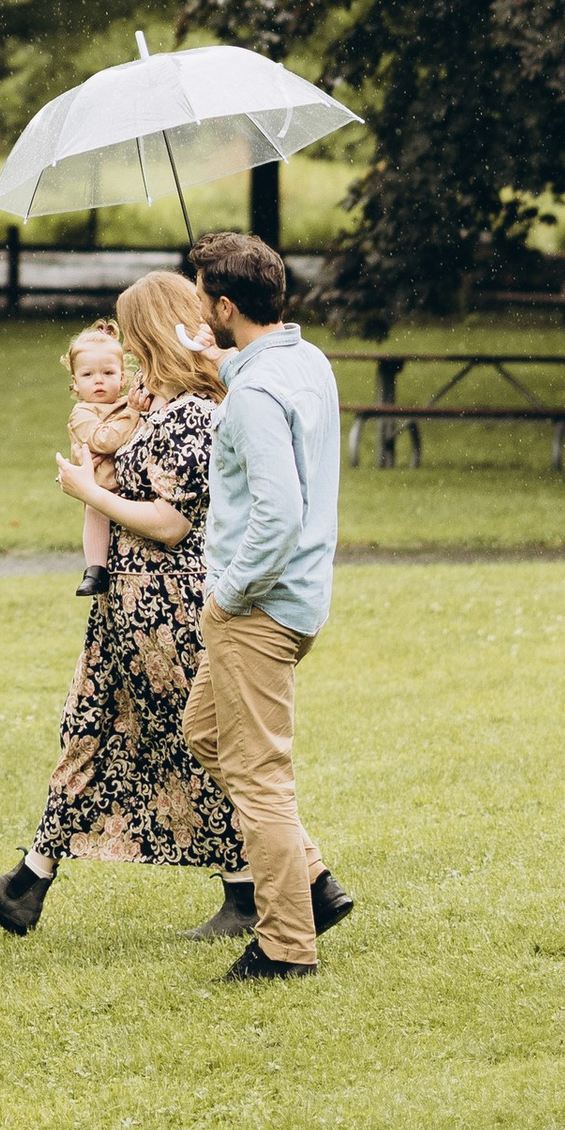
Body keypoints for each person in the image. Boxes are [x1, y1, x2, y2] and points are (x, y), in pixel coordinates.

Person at [0, 272, 254, 936]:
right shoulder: (156, 406)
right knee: (84, 731)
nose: (131, 352)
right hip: (123, 603)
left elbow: (172, 524)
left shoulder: (198, 413)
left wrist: (87, 491)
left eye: (134, 334)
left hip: (169, 610)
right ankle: (28, 883)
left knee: (195, 745)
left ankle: (264, 888)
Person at [180, 227, 356, 982]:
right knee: (204, 734)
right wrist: (226, 368)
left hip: (259, 609)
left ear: (224, 304)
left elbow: (276, 516)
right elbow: (267, 417)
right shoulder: (302, 360)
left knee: (258, 781)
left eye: (201, 299)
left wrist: (227, 594)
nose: (196, 309)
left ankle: (287, 946)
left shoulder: (254, 391)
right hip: (302, 598)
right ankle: (311, 884)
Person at [62, 321, 138, 595]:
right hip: (101, 485)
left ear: (122, 377)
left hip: (130, 487)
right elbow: (103, 440)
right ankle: (95, 570)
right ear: (75, 382)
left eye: (108, 372)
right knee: (95, 512)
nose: (98, 380)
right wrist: (134, 414)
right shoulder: (82, 412)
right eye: (88, 374)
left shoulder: (129, 402)